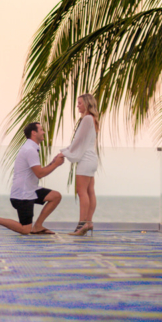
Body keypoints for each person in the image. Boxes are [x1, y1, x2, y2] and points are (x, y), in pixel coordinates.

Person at [0, 122, 64, 235]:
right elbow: (40, 174)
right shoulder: (30, 150)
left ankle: (37, 226)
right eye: (41, 130)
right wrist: (56, 164)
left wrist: (53, 162)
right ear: (33, 133)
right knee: (25, 230)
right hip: (22, 195)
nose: (43, 132)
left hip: (31, 190)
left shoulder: (31, 148)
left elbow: (38, 171)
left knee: (55, 196)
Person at [62, 93, 99, 236]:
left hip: (86, 160)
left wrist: (64, 152)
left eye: (80, 103)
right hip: (92, 159)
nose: (77, 105)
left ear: (87, 104)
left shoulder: (87, 119)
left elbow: (78, 140)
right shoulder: (92, 119)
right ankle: (88, 223)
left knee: (82, 191)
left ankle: (81, 225)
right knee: (90, 191)